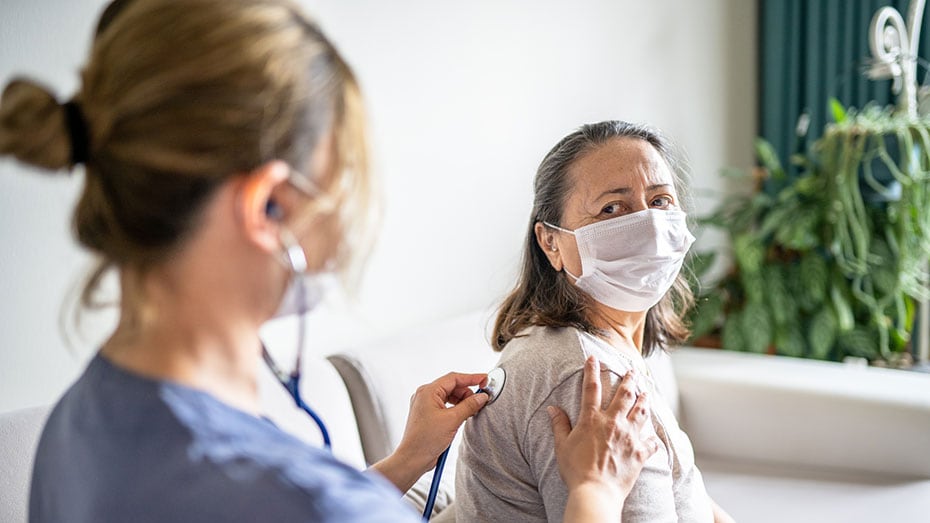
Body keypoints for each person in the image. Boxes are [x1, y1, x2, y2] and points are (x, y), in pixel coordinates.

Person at [0, 1, 660, 521]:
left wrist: (404, 461)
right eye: (340, 187)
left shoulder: (76, 423)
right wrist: (594, 491)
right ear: (268, 209)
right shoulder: (302, 499)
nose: (347, 228)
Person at [455, 121, 736, 522]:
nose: (649, 226)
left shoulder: (613, 346)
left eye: (660, 201)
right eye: (612, 208)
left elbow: (691, 496)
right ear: (552, 243)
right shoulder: (587, 380)